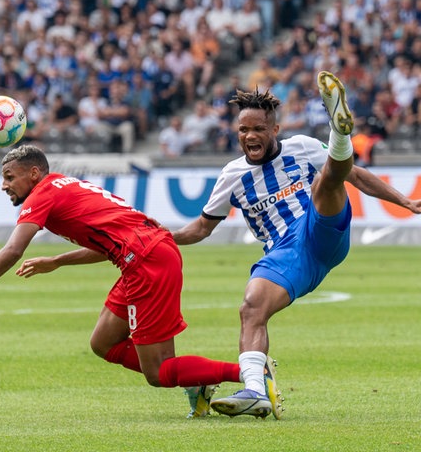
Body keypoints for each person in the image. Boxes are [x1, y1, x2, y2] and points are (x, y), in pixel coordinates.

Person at [0, 144, 276, 419]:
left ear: (34, 174)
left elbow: (13, 248)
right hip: (143, 254)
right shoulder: (63, 183)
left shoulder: (39, 196)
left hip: (146, 261)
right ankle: (203, 380)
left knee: (158, 373)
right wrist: (57, 261)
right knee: (103, 342)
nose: (4, 185)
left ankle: (252, 375)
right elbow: (112, 243)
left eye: (9, 177)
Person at [171, 71, 421, 418]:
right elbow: (200, 229)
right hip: (286, 256)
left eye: (258, 128)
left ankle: (339, 134)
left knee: (325, 183)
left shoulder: (300, 147)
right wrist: (159, 235)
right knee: (251, 307)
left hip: (319, 228)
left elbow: (357, 176)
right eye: (244, 130)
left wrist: (405, 202)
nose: (250, 136)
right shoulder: (231, 176)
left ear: (274, 129)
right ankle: (255, 391)